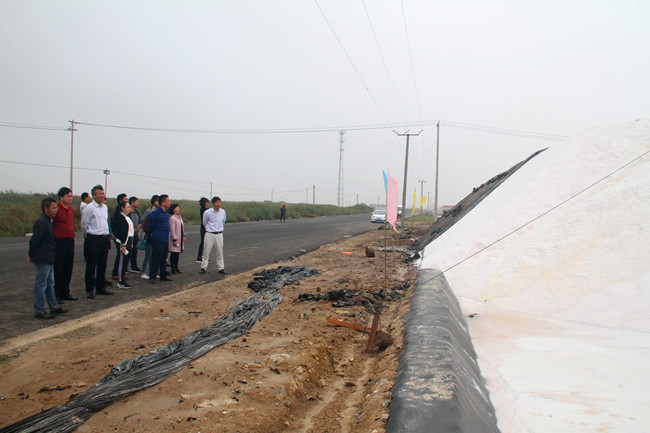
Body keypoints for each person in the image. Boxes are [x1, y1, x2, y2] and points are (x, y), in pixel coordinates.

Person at [28, 197, 67, 319]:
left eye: (56, 208)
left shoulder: (49, 221)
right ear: (46, 209)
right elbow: (34, 240)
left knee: (50, 283)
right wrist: (31, 255)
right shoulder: (41, 222)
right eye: (53, 208)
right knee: (41, 284)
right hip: (43, 257)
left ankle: (54, 306)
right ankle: (39, 310)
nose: (56, 210)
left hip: (49, 257)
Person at [81, 185, 113, 298]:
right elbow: (84, 225)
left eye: (102, 193)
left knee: (102, 264)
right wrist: (88, 236)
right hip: (93, 238)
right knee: (91, 265)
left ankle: (100, 287)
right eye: (99, 194)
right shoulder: (89, 208)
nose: (101, 196)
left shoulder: (105, 207)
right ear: (94, 195)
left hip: (104, 239)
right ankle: (90, 289)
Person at [53, 187, 78, 302]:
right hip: (59, 242)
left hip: (70, 241)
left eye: (71, 196)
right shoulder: (56, 209)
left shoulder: (71, 209)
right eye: (68, 196)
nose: (70, 198)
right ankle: (56, 293)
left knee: (68, 268)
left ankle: (65, 291)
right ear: (61, 197)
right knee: (59, 268)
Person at [147, 194, 172, 283]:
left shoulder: (166, 212)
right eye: (168, 201)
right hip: (157, 238)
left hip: (165, 238)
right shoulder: (155, 213)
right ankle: (152, 276)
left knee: (164, 258)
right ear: (163, 203)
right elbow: (151, 225)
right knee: (156, 257)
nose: (169, 202)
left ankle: (163, 275)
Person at [199, 196, 227, 275]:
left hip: (219, 234)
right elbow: (204, 223)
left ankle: (221, 268)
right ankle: (203, 267)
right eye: (217, 202)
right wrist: (210, 229)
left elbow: (223, 221)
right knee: (206, 251)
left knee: (219, 252)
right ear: (213, 203)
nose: (218, 204)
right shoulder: (207, 212)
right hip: (210, 233)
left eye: (219, 202)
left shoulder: (222, 212)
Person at [111, 201, 134, 289]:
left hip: (128, 242)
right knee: (122, 261)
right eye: (127, 207)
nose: (129, 209)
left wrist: (130, 242)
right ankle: (121, 282)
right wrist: (123, 244)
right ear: (122, 208)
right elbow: (121, 233)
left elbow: (129, 232)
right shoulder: (120, 218)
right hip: (123, 243)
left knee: (125, 262)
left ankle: (123, 279)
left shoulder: (126, 217)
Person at [140, 195, 159, 280]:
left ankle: (152, 272)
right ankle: (143, 272)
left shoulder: (159, 211)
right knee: (148, 255)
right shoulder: (148, 211)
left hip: (155, 236)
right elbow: (143, 221)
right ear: (155, 202)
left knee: (153, 256)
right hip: (149, 236)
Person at [111, 193, 128, 281]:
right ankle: (116, 273)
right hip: (119, 238)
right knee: (120, 255)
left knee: (122, 256)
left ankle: (121, 272)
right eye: (126, 200)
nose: (127, 201)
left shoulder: (123, 214)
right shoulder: (117, 214)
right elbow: (115, 226)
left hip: (124, 238)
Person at [168, 203, 186, 274]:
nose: (179, 210)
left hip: (180, 239)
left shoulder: (179, 217)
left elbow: (182, 228)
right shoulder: (172, 218)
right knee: (174, 253)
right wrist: (174, 239)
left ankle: (176, 267)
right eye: (177, 208)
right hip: (175, 239)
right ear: (173, 209)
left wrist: (183, 236)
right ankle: (173, 268)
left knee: (177, 253)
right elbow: (172, 230)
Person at [127, 196, 142, 273]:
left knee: (134, 251)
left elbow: (140, 221)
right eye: (136, 202)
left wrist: (137, 229)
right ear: (132, 203)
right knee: (127, 251)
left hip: (135, 234)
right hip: (128, 235)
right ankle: (124, 268)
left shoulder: (137, 212)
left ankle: (134, 266)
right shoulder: (128, 212)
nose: (138, 203)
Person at [196, 197, 209, 263]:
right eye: (207, 202)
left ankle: (205, 256)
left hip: (206, 227)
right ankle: (199, 257)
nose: (208, 203)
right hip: (204, 228)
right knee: (203, 242)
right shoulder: (203, 209)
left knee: (206, 243)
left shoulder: (206, 209)